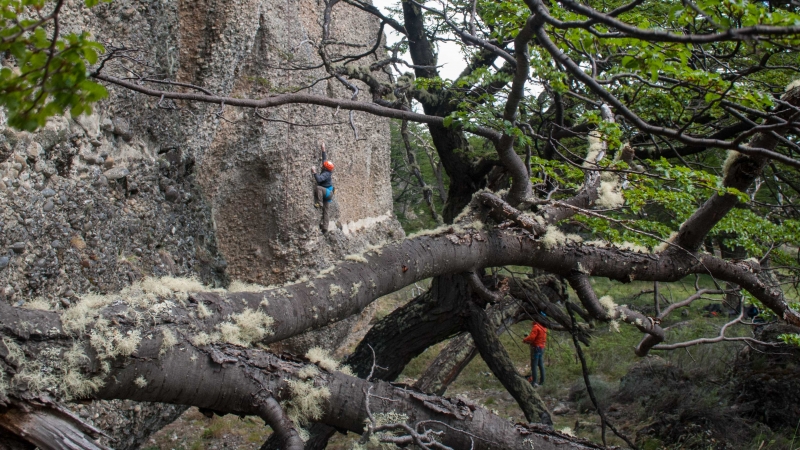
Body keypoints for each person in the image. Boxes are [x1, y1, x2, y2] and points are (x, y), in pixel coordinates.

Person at [311, 142, 335, 232]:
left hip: (327, 193)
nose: (322, 165)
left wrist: (314, 172)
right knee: (326, 211)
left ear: (325, 168)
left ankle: (320, 203)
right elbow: (324, 159)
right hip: (328, 192)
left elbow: (319, 180)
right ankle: (325, 228)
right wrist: (323, 149)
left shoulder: (326, 174)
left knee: (318, 188)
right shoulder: (326, 169)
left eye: (323, 166)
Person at [522, 313, 547, 387]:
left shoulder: (536, 327)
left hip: (536, 348)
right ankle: (542, 381)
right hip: (541, 348)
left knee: (534, 365)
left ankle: (534, 382)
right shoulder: (544, 327)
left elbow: (531, 338)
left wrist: (525, 340)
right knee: (541, 365)